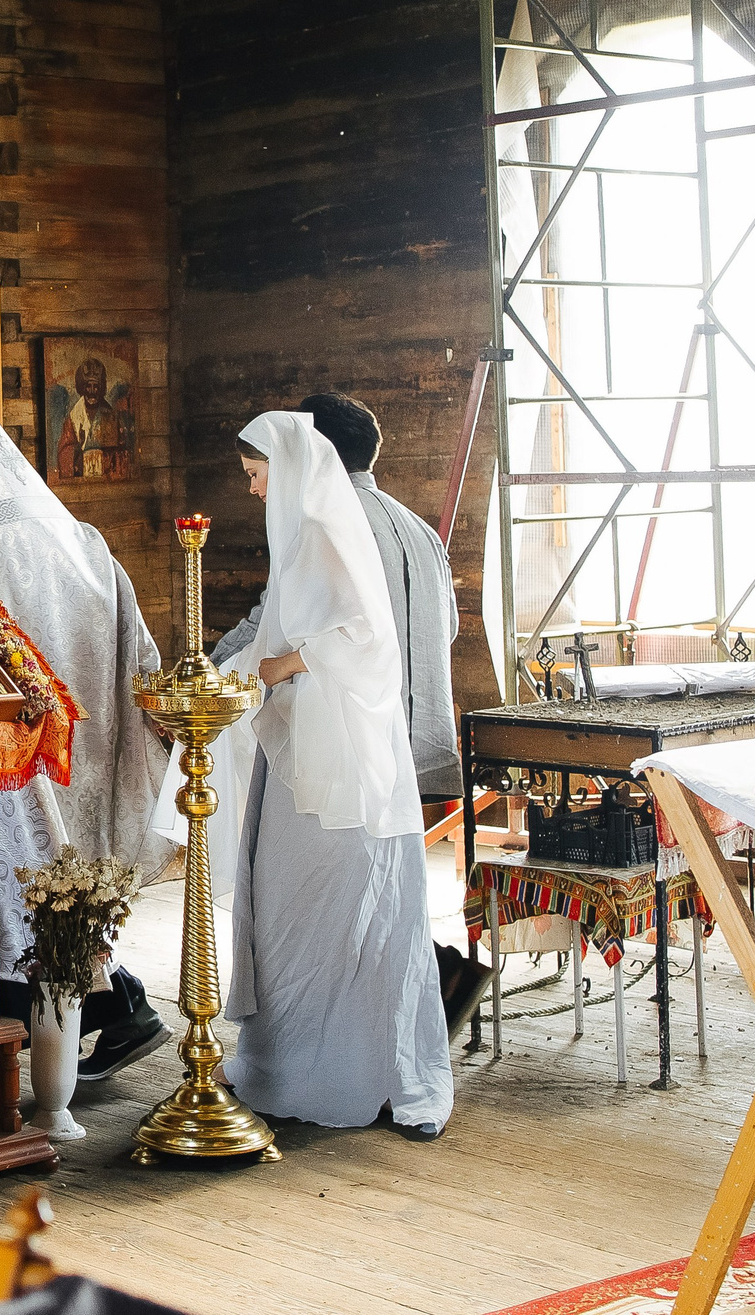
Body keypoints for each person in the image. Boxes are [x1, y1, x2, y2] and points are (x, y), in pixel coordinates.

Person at [0, 383, 172, 1081]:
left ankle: (67, 1033)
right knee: (66, 896)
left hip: (10, 752)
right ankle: (111, 1013)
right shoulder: (60, 524)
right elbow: (130, 630)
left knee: (19, 901)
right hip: (86, 749)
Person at [217, 410, 451, 1136]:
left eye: (257, 476)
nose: (253, 492)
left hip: (336, 747)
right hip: (390, 735)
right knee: (344, 911)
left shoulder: (321, 527)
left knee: (314, 910)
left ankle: (324, 1071)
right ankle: (348, 1064)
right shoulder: (414, 527)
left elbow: (339, 635)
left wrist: (253, 665)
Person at [213, 391, 459, 800]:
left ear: (310, 449)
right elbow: (446, 628)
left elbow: (269, 627)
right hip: (433, 750)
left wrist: (207, 671)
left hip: (360, 754)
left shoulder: (326, 525)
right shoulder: (421, 529)